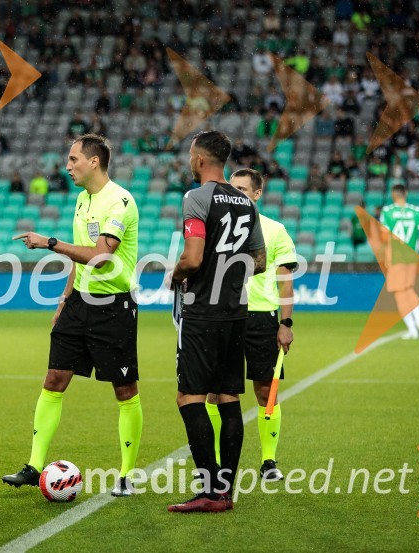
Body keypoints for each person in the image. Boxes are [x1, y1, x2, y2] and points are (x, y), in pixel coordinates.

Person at [4, 134, 143, 497]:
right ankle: (34, 466)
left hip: (114, 307)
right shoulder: (82, 200)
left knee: (125, 390)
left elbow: (99, 256)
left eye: (73, 159)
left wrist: (49, 242)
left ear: (94, 161)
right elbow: (78, 258)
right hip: (80, 303)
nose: (67, 166)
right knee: (54, 378)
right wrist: (65, 300)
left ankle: (127, 474)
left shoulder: (121, 201)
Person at [167, 131, 266, 513]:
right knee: (228, 398)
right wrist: (230, 270)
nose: (190, 162)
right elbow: (259, 261)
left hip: (203, 309)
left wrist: (176, 274)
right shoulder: (245, 202)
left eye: (192, 155)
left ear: (201, 158)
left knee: (189, 396)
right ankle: (225, 491)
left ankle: (209, 490)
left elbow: (191, 259)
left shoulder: (196, 197)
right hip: (236, 311)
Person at [204, 168, 296, 483]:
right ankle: (216, 462)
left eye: (244, 189)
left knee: (265, 391)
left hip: (261, 318)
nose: (238, 194)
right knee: (216, 392)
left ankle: (269, 460)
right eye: (234, 188)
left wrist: (285, 322)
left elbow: (285, 283)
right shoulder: (218, 228)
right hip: (224, 316)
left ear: (257, 193)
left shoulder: (275, 230)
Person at [379, 184, 419, 340]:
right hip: (411, 257)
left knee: (399, 294)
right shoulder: (416, 211)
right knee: (409, 289)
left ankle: (413, 330)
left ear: (393, 195)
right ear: (405, 193)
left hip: (396, 257)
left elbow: (384, 237)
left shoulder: (388, 212)